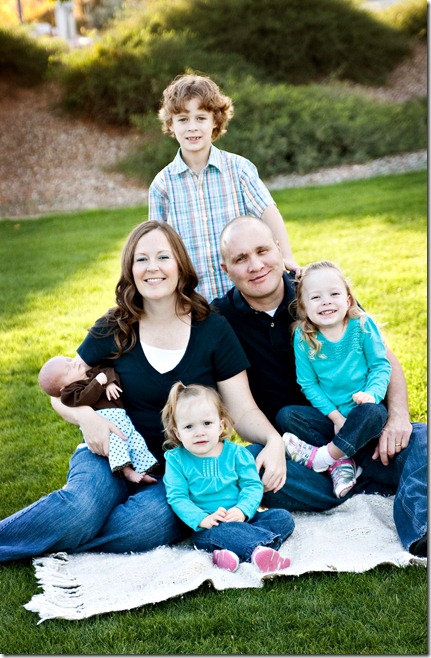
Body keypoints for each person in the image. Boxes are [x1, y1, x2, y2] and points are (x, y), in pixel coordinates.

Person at [0, 221, 287, 563]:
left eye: (163, 257)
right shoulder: (115, 326)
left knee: (143, 527)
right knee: (79, 509)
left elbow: (242, 410)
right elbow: (59, 393)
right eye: (142, 259)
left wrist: (273, 441)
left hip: (174, 472)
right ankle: (73, 522)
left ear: (180, 265)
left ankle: (75, 529)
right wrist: (87, 418)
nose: (153, 267)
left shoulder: (213, 328)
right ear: (131, 269)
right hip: (109, 454)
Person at [211, 216, 427, 557]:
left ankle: (419, 528)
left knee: (423, 439)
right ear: (225, 269)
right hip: (298, 452)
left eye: (262, 251)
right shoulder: (220, 320)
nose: (255, 265)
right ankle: (362, 479)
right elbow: (240, 408)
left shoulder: (317, 289)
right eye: (241, 259)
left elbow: (383, 359)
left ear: (279, 250)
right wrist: (272, 445)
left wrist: (398, 416)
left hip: (361, 426)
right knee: (246, 465)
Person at [148, 73, 301, 301]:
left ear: (215, 121)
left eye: (201, 118)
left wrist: (286, 256)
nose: (192, 127)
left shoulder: (238, 169)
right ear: (171, 124)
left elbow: (268, 211)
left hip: (243, 296)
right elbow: (155, 244)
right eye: (183, 119)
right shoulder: (162, 185)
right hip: (194, 298)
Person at [284, 260, 391, 498]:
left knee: (373, 413)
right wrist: (336, 417)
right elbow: (308, 383)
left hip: (365, 412)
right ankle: (344, 462)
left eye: (334, 294)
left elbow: (380, 366)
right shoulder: (303, 336)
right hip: (332, 417)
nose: (326, 302)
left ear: (348, 300)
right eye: (316, 297)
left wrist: (372, 395)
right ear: (304, 307)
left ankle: (324, 458)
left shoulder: (362, 325)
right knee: (288, 415)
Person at [162, 382, 293, 573]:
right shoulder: (176, 460)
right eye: (189, 426)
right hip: (210, 527)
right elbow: (177, 497)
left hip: (242, 518)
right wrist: (202, 519)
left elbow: (252, 485)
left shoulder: (236, 453)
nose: (199, 432)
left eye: (207, 423)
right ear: (178, 433)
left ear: (220, 425)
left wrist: (242, 510)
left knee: (282, 518)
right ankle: (258, 552)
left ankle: (231, 553)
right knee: (223, 532)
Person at [38, 356, 159, 484]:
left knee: (136, 441)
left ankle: (143, 471)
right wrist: (98, 382)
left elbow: (107, 371)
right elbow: (85, 398)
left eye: (69, 360)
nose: (73, 363)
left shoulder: (92, 373)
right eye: (68, 370)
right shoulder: (71, 393)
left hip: (121, 418)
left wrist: (110, 383)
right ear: (63, 387)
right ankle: (127, 471)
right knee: (116, 444)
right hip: (103, 424)